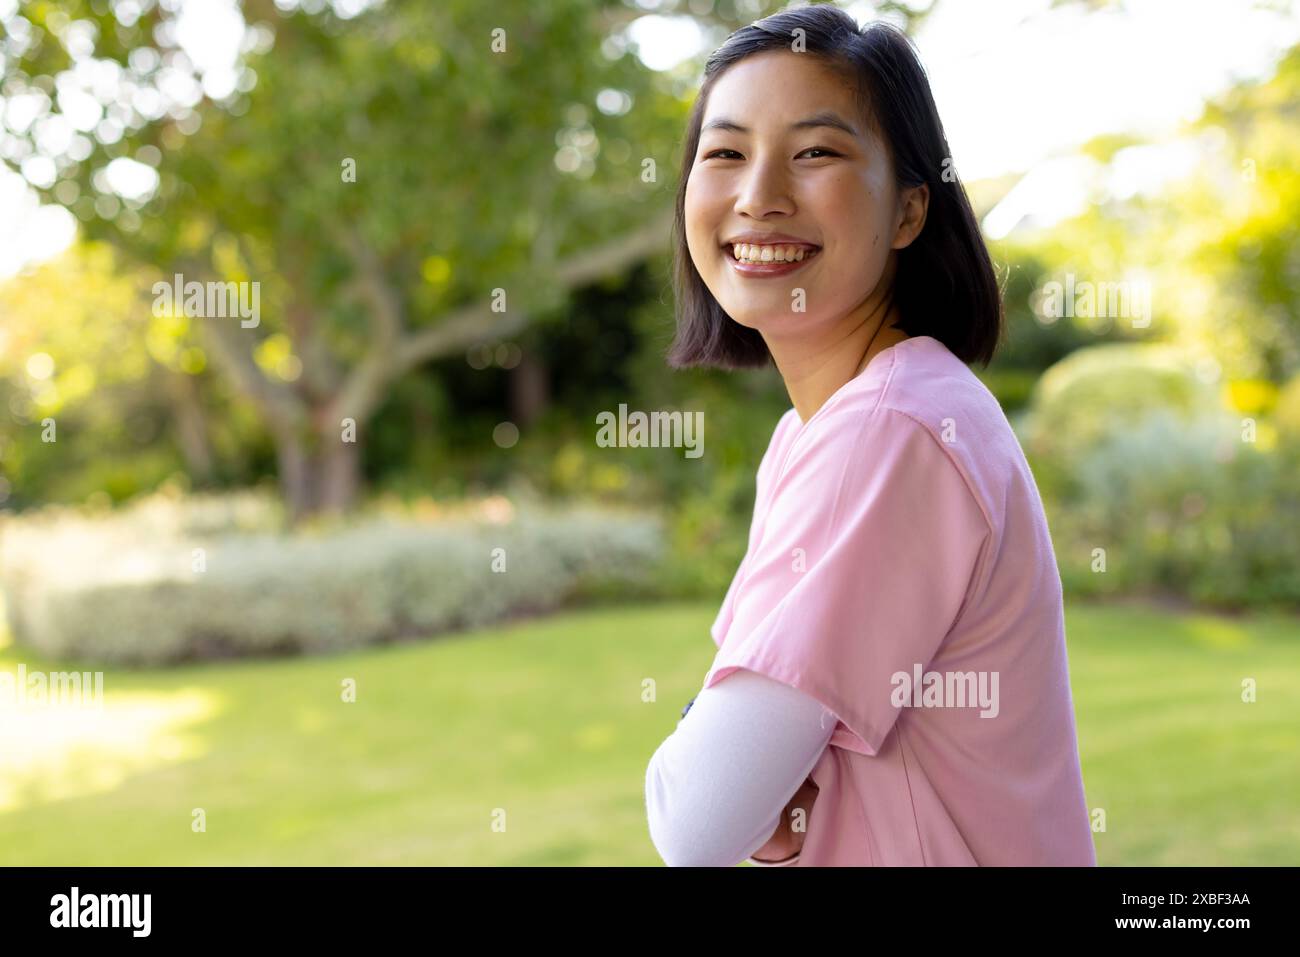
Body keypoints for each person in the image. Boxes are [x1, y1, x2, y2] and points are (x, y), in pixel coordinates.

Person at [644, 5, 1095, 867]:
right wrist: (742, 768)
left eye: (815, 152)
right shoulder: (836, 425)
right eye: (725, 153)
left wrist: (724, 768)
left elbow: (696, 818)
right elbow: (741, 763)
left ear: (908, 211)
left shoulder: (888, 432)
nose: (759, 196)